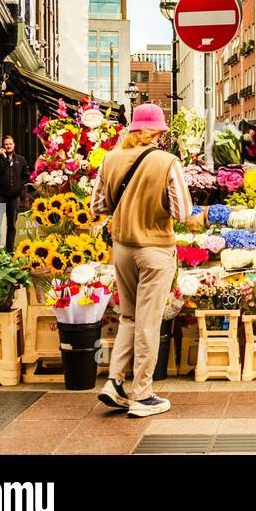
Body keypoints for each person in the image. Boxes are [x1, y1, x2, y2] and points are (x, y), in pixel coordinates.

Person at [90, 103, 193, 418]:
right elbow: (183, 212)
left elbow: (97, 205)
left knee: (129, 317)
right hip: (155, 249)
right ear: (159, 132)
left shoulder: (110, 159)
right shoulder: (167, 161)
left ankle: (115, 382)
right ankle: (143, 394)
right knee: (149, 321)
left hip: (122, 247)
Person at [0, 135, 29, 252]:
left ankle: (10, 249)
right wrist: (3, 158)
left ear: (14, 145)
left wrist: (21, 190)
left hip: (14, 196)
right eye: (6, 144)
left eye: (10, 144)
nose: (8, 146)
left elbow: (25, 176)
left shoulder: (20, 160)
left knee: (12, 224)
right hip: (0, 195)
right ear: (3, 146)